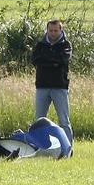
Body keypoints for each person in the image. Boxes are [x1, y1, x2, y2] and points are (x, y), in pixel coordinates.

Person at [31, 19, 74, 149]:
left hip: (59, 87)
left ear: (61, 30)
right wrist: (53, 62)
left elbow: (62, 60)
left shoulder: (66, 45)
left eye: (56, 30)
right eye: (51, 30)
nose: (53, 33)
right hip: (42, 86)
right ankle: (39, 147)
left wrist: (46, 61)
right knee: (39, 120)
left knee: (64, 121)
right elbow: (35, 60)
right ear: (47, 30)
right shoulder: (40, 45)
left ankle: (68, 149)